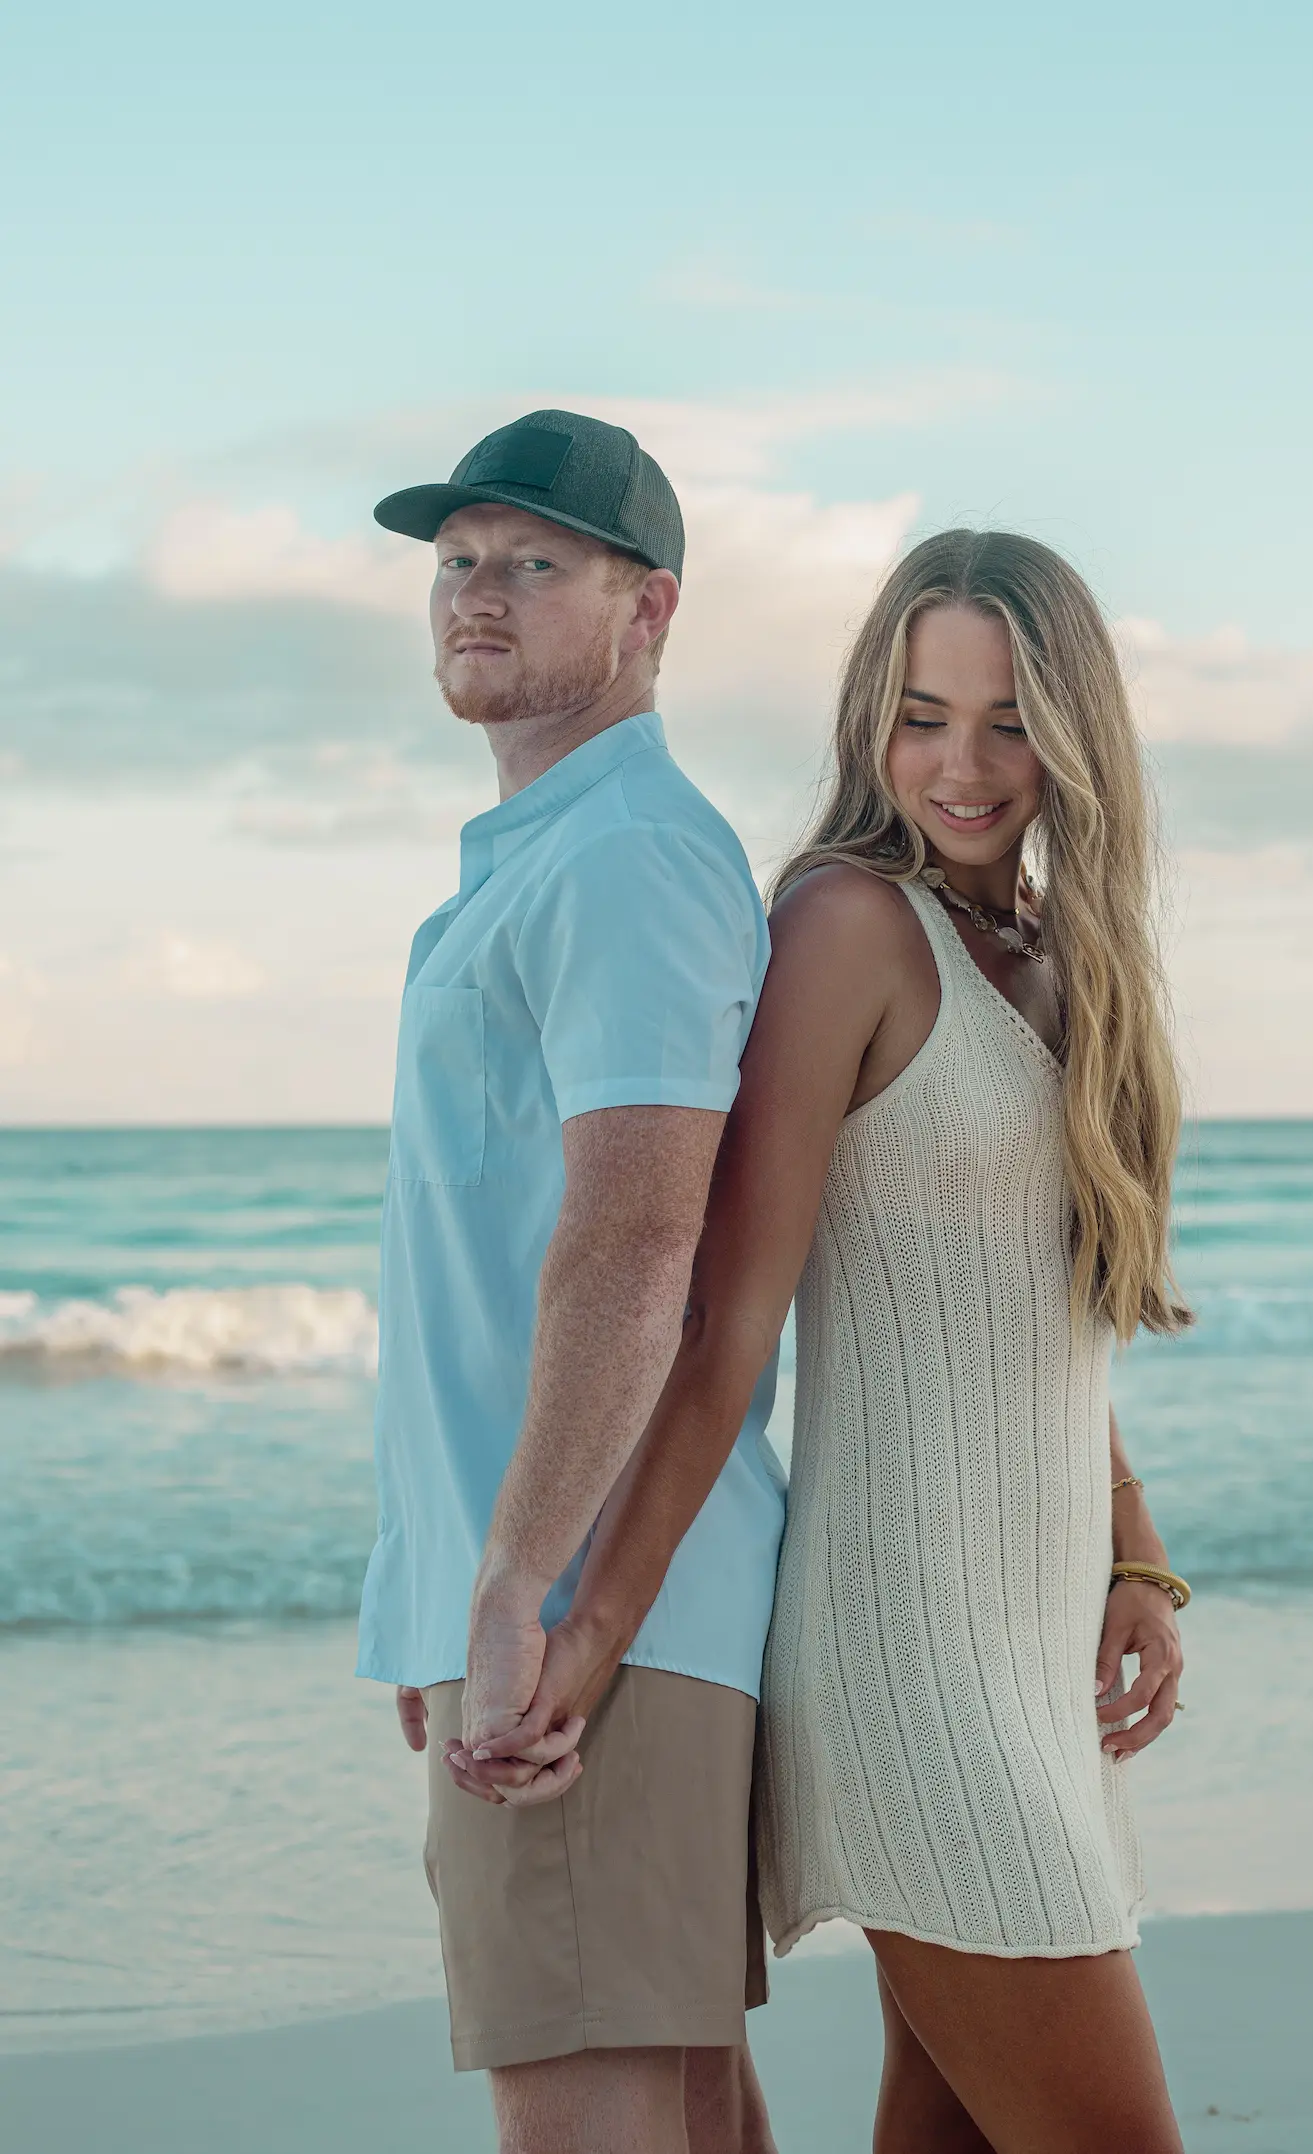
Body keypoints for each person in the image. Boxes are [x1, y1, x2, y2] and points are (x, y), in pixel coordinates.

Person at [497, 528, 1193, 2152]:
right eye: (921, 715)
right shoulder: (846, 925)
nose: (961, 765)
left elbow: (1027, 1312)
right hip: (908, 1660)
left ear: (1075, 735)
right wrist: (589, 1626)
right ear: (871, 716)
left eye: (1009, 723)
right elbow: (727, 1319)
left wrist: (1136, 1550)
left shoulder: (1060, 956)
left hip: (1030, 1651)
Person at [353, 409, 786, 2154]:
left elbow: (635, 1240)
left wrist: (512, 1581)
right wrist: (440, 1578)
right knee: (687, 2115)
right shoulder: (553, 854)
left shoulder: (624, 857)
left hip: (587, 1623)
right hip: (564, 1610)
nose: (479, 592)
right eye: (458, 560)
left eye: (536, 562)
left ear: (648, 608)